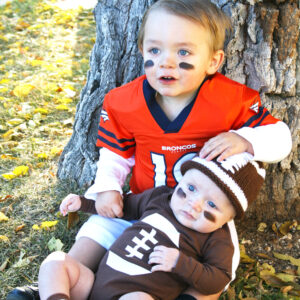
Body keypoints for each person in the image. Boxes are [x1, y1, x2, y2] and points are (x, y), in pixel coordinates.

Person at [7, 0, 292, 299]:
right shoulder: (124, 102)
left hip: (197, 215)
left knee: (222, 264)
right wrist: (107, 187)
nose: (166, 62)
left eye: (183, 52)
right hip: (142, 203)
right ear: (142, 50)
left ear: (213, 61)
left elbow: (280, 136)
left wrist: (248, 140)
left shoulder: (231, 100)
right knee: (99, 227)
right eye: (155, 50)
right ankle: (61, 285)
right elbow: (115, 152)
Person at [37, 153, 265, 300]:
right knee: (57, 261)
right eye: (192, 189)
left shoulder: (217, 238)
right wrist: (86, 203)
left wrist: (180, 263)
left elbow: (218, 278)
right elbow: (122, 207)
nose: (193, 204)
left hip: (137, 295)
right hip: (93, 287)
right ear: (181, 180)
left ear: (228, 218)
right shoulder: (160, 198)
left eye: (212, 204)